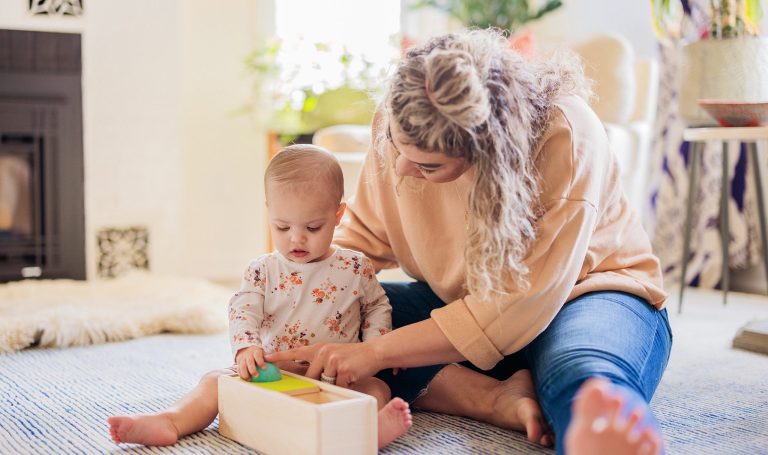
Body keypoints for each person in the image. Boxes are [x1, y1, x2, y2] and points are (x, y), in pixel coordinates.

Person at [267, 29, 673, 455]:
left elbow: (517, 306)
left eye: (428, 165)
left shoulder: (566, 134)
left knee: (582, 373)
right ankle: (496, 397)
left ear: (489, 153)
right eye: (395, 145)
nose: (402, 169)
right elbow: (362, 243)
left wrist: (377, 353)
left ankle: (605, 435)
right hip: (468, 314)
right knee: (338, 321)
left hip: (589, 297)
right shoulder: (399, 118)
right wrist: (293, 305)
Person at [107, 145, 412, 449]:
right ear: (270, 213)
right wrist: (246, 347)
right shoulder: (263, 269)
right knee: (216, 381)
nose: (296, 238)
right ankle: (171, 420)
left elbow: (376, 306)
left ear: (338, 215)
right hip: (276, 372)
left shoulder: (355, 266)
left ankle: (367, 431)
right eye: (282, 226)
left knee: (377, 388)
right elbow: (243, 311)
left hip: (339, 374)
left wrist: (375, 344)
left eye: (313, 227)